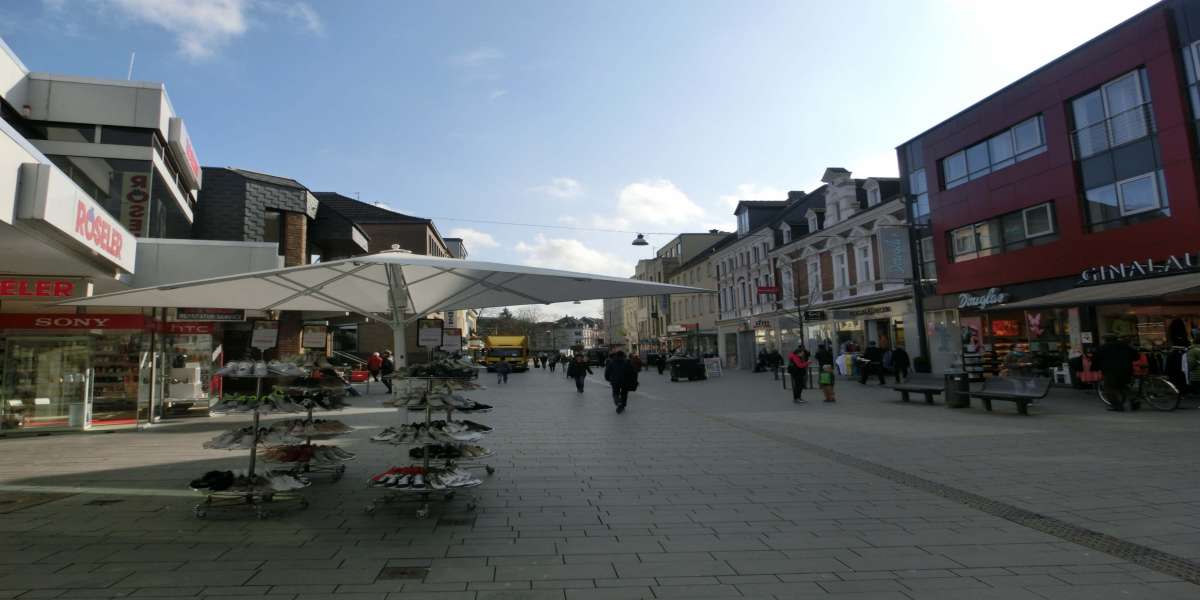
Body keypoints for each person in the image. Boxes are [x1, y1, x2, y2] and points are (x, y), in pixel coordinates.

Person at [1092, 334, 1139, 411]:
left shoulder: (1102, 348)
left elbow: (1096, 360)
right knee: (1123, 386)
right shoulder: (1125, 346)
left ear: (1106, 340)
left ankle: (1117, 406)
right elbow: (1136, 356)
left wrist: (1095, 368)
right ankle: (1133, 402)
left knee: (1109, 388)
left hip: (1110, 371)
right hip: (1126, 370)